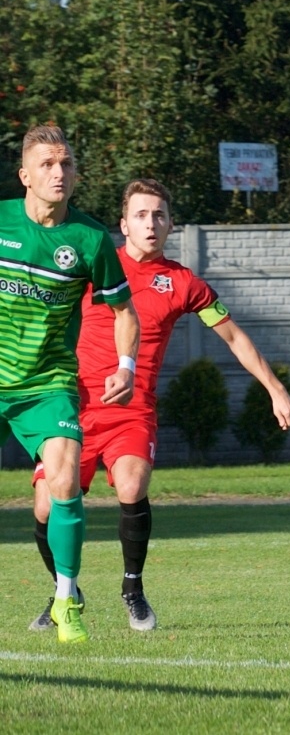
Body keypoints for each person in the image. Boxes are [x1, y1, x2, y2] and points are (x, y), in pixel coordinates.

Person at [27, 178, 290, 633]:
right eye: (140, 215)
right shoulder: (93, 264)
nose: (150, 223)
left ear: (171, 225)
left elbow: (233, 336)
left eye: (158, 215)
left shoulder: (183, 283)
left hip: (133, 412)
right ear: (123, 225)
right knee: (43, 506)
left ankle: (132, 589)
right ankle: (64, 591)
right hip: (73, 407)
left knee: (131, 487)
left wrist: (274, 388)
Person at [0, 123, 138, 643]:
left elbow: (125, 311)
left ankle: (66, 600)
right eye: (47, 165)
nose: (59, 173)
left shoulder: (89, 238)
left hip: (47, 385)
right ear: (25, 176)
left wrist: (125, 366)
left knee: (62, 482)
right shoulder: (0, 222)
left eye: (66, 164)